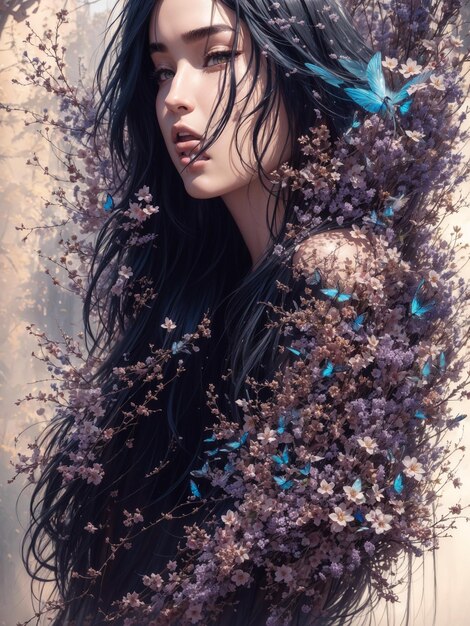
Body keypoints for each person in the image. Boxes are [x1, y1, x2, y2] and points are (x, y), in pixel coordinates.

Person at [20, 0, 468, 625]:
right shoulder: (203, 287)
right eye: (161, 70)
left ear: (300, 67)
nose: (175, 95)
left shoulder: (337, 272)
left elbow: (281, 563)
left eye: (217, 56)